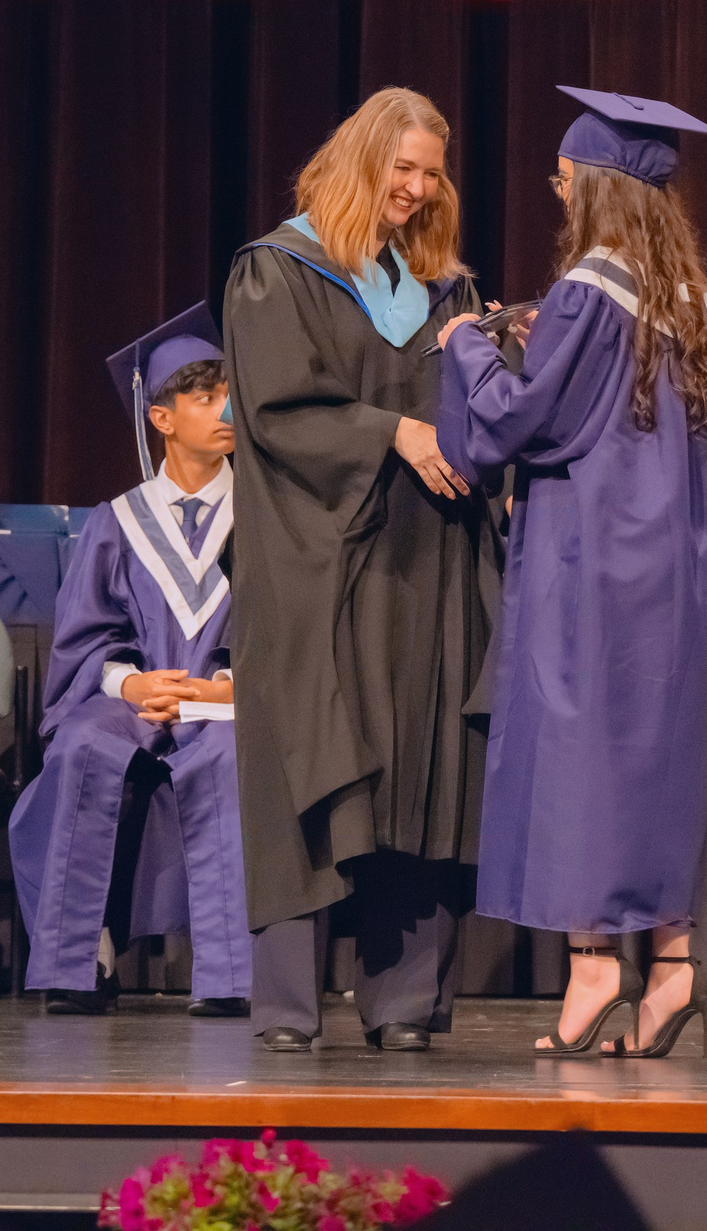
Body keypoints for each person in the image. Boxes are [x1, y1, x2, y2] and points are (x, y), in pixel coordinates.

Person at [438, 86, 707, 1058]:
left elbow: (524, 422)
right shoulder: (685, 302)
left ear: (600, 191)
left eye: (566, 178)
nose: (555, 190)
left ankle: (593, 966)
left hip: (590, 558)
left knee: (579, 758)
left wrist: (468, 349)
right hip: (677, 564)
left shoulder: (585, 292)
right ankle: (673, 967)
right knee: (654, 755)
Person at [224, 86, 498, 1052]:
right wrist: (396, 430)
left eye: (432, 173)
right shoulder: (278, 270)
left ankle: (405, 1002)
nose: (419, 191)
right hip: (316, 561)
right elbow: (279, 413)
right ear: (360, 161)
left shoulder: (443, 288)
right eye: (403, 170)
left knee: (419, 763)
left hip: (428, 554)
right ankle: (290, 1008)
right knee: (314, 760)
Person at [11, 304, 251, 1018]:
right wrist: (136, 681)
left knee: (231, 752)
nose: (224, 409)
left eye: (228, 393)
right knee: (85, 741)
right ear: (163, 418)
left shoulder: (264, 515)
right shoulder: (117, 520)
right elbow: (86, 640)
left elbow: (288, 630)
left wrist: (224, 685)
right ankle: (80, 959)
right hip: (135, 700)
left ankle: (231, 972)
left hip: (229, 700)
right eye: (204, 397)